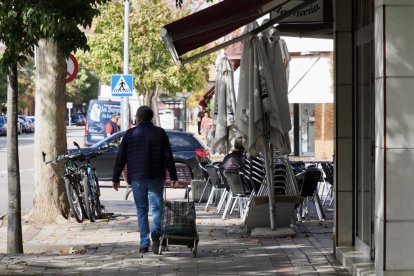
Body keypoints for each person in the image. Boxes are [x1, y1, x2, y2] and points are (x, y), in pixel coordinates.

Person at [111, 106, 178, 254]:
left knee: (141, 210)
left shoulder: (130, 133)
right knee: (156, 208)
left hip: (137, 177)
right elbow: (168, 156)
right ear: (151, 117)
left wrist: (115, 178)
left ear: (138, 118)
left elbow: (121, 157)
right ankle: (156, 233)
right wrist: (173, 176)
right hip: (156, 176)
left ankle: (144, 243)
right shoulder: (160, 133)